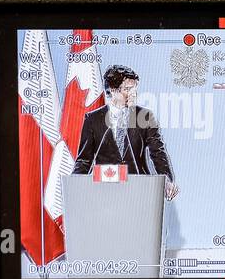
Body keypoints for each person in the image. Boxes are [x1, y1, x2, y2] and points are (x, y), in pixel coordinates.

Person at [72, 65, 179, 200]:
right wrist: (74, 186)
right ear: (113, 91)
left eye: (134, 88)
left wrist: (167, 179)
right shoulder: (93, 119)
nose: (133, 93)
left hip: (139, 192)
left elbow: (158, 152)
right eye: (127, 89)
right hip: (104, 194)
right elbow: (84, 160)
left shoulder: (145, 116)